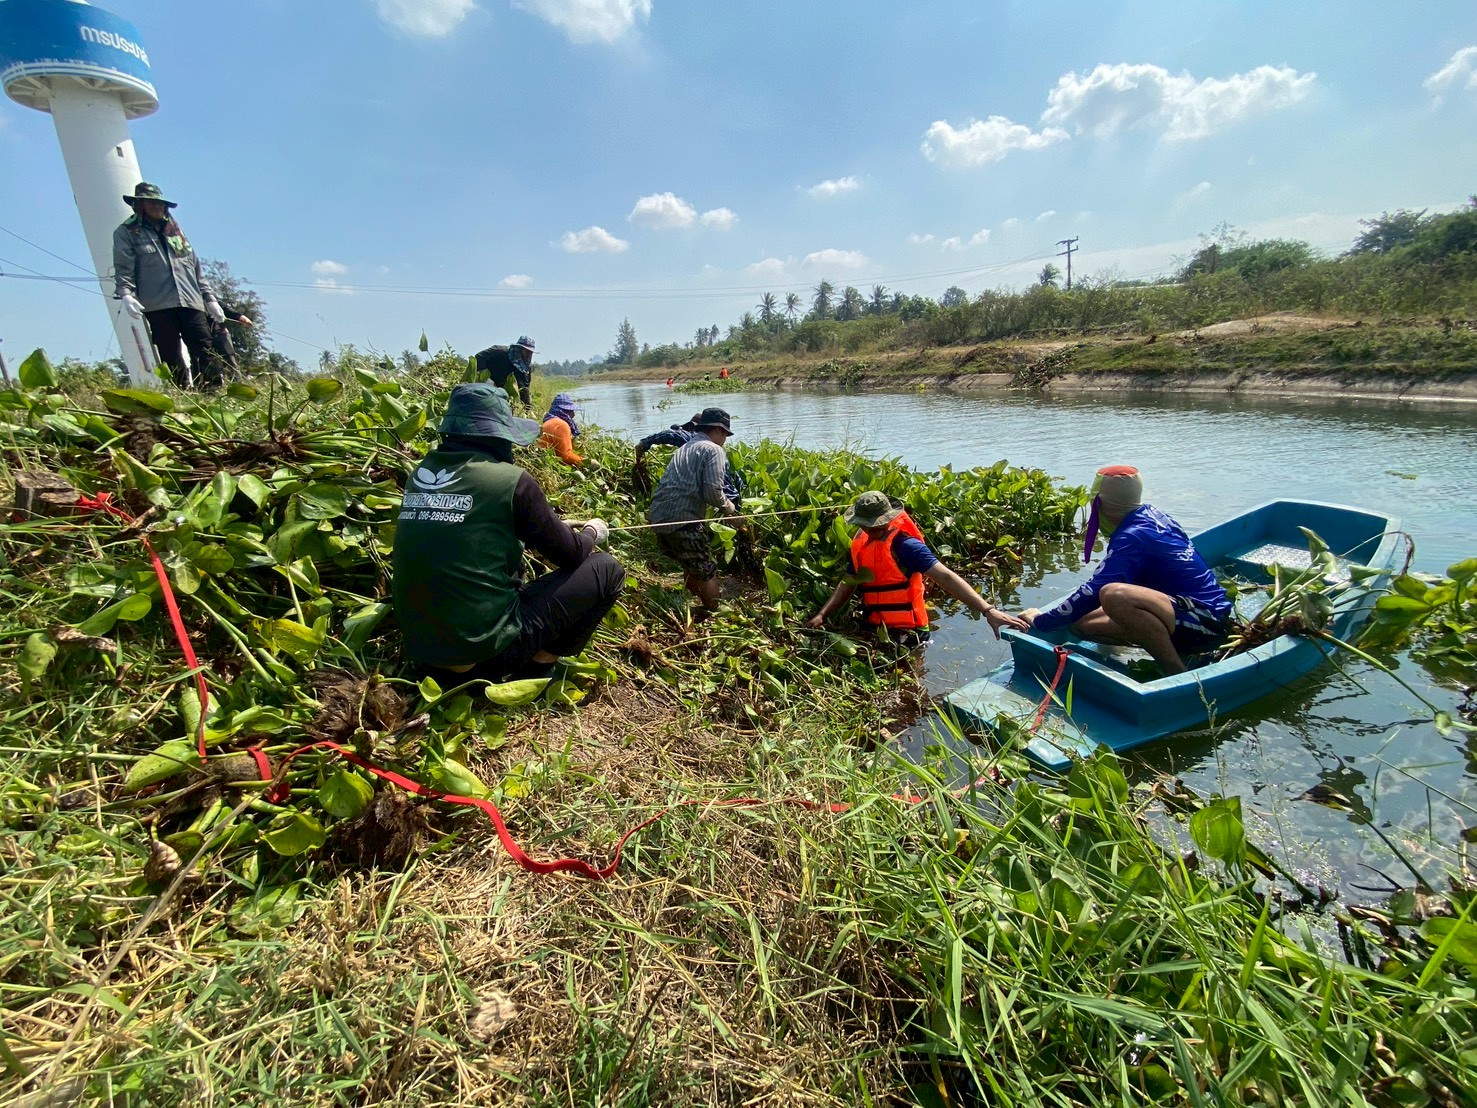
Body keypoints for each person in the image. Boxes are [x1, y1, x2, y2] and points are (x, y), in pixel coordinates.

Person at [392, 383, 623, 685]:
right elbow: (573, 554)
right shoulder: (512, 481)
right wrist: (592, 531)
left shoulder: (420, 475)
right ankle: (537, 668)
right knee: (607, 569)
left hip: (424, 657)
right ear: (497, 437)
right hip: (483, 660)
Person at [1014, 465, 1232, 675]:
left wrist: (1042, 621)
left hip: (1206, 621)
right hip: (1183, 610)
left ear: (1098, 503)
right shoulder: (1152, 514)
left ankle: (1173, 668)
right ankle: (1162, 644)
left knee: (1114, 595)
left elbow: (1095, 588)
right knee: (1079, 623)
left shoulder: (1133, 536)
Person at [807, 491, 1027, 645]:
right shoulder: (859, 545)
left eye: (876, 525)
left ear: (888, 519)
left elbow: (947, 578)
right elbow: (847, 583)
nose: (872, 529)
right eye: (867, 525)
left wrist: (987, 610)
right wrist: (822, 615)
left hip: (911, 632)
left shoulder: (906, 546)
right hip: (875, 629)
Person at [112, 182, 229, 390]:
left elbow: (195, 268)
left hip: (190, 301)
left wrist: (210, 299)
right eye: (151, 203)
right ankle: (182, 392)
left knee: (204, 346)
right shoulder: (127, 232)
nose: (157, 207)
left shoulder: (176, 232)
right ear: (140, 205)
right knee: (170, 352)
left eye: (160, 203)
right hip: (158, 304)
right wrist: (126, 294)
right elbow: (124, 267)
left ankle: (211, 392)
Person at [647, 407, 740, 617]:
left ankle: (690, 604)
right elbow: (713, 492)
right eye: (725, 434)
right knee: (706, 569)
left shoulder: (687, 446)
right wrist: (730, 509)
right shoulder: (713, 449)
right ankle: (716, 614)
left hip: (659, 518)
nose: (725, 439)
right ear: (717, 430)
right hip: (682, 519)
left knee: (690, 562)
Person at [631, 412, 744, 503]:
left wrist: (644, 443)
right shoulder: (707, 446)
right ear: (717, 430)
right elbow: (726, 482)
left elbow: (670, 434)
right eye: (725, 435)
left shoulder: (692, 442)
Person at [473, 337, 536, 406]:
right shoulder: (499, 352)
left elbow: (524, 390)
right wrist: (486, 378)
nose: (529, 355)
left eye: (531, 352)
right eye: (527, 351)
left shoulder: (525, 369)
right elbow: (479, 357)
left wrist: (527, 408)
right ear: (519, 348)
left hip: (504, 400)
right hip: (486, 390)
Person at [538, 392, 584, 467]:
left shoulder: (549, 422)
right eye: (571, 411)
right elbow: (566, 456)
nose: (573, 414)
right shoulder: (561, 425)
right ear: (564, 412)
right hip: (547, 465)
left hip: (543, 461)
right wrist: (586, 462)